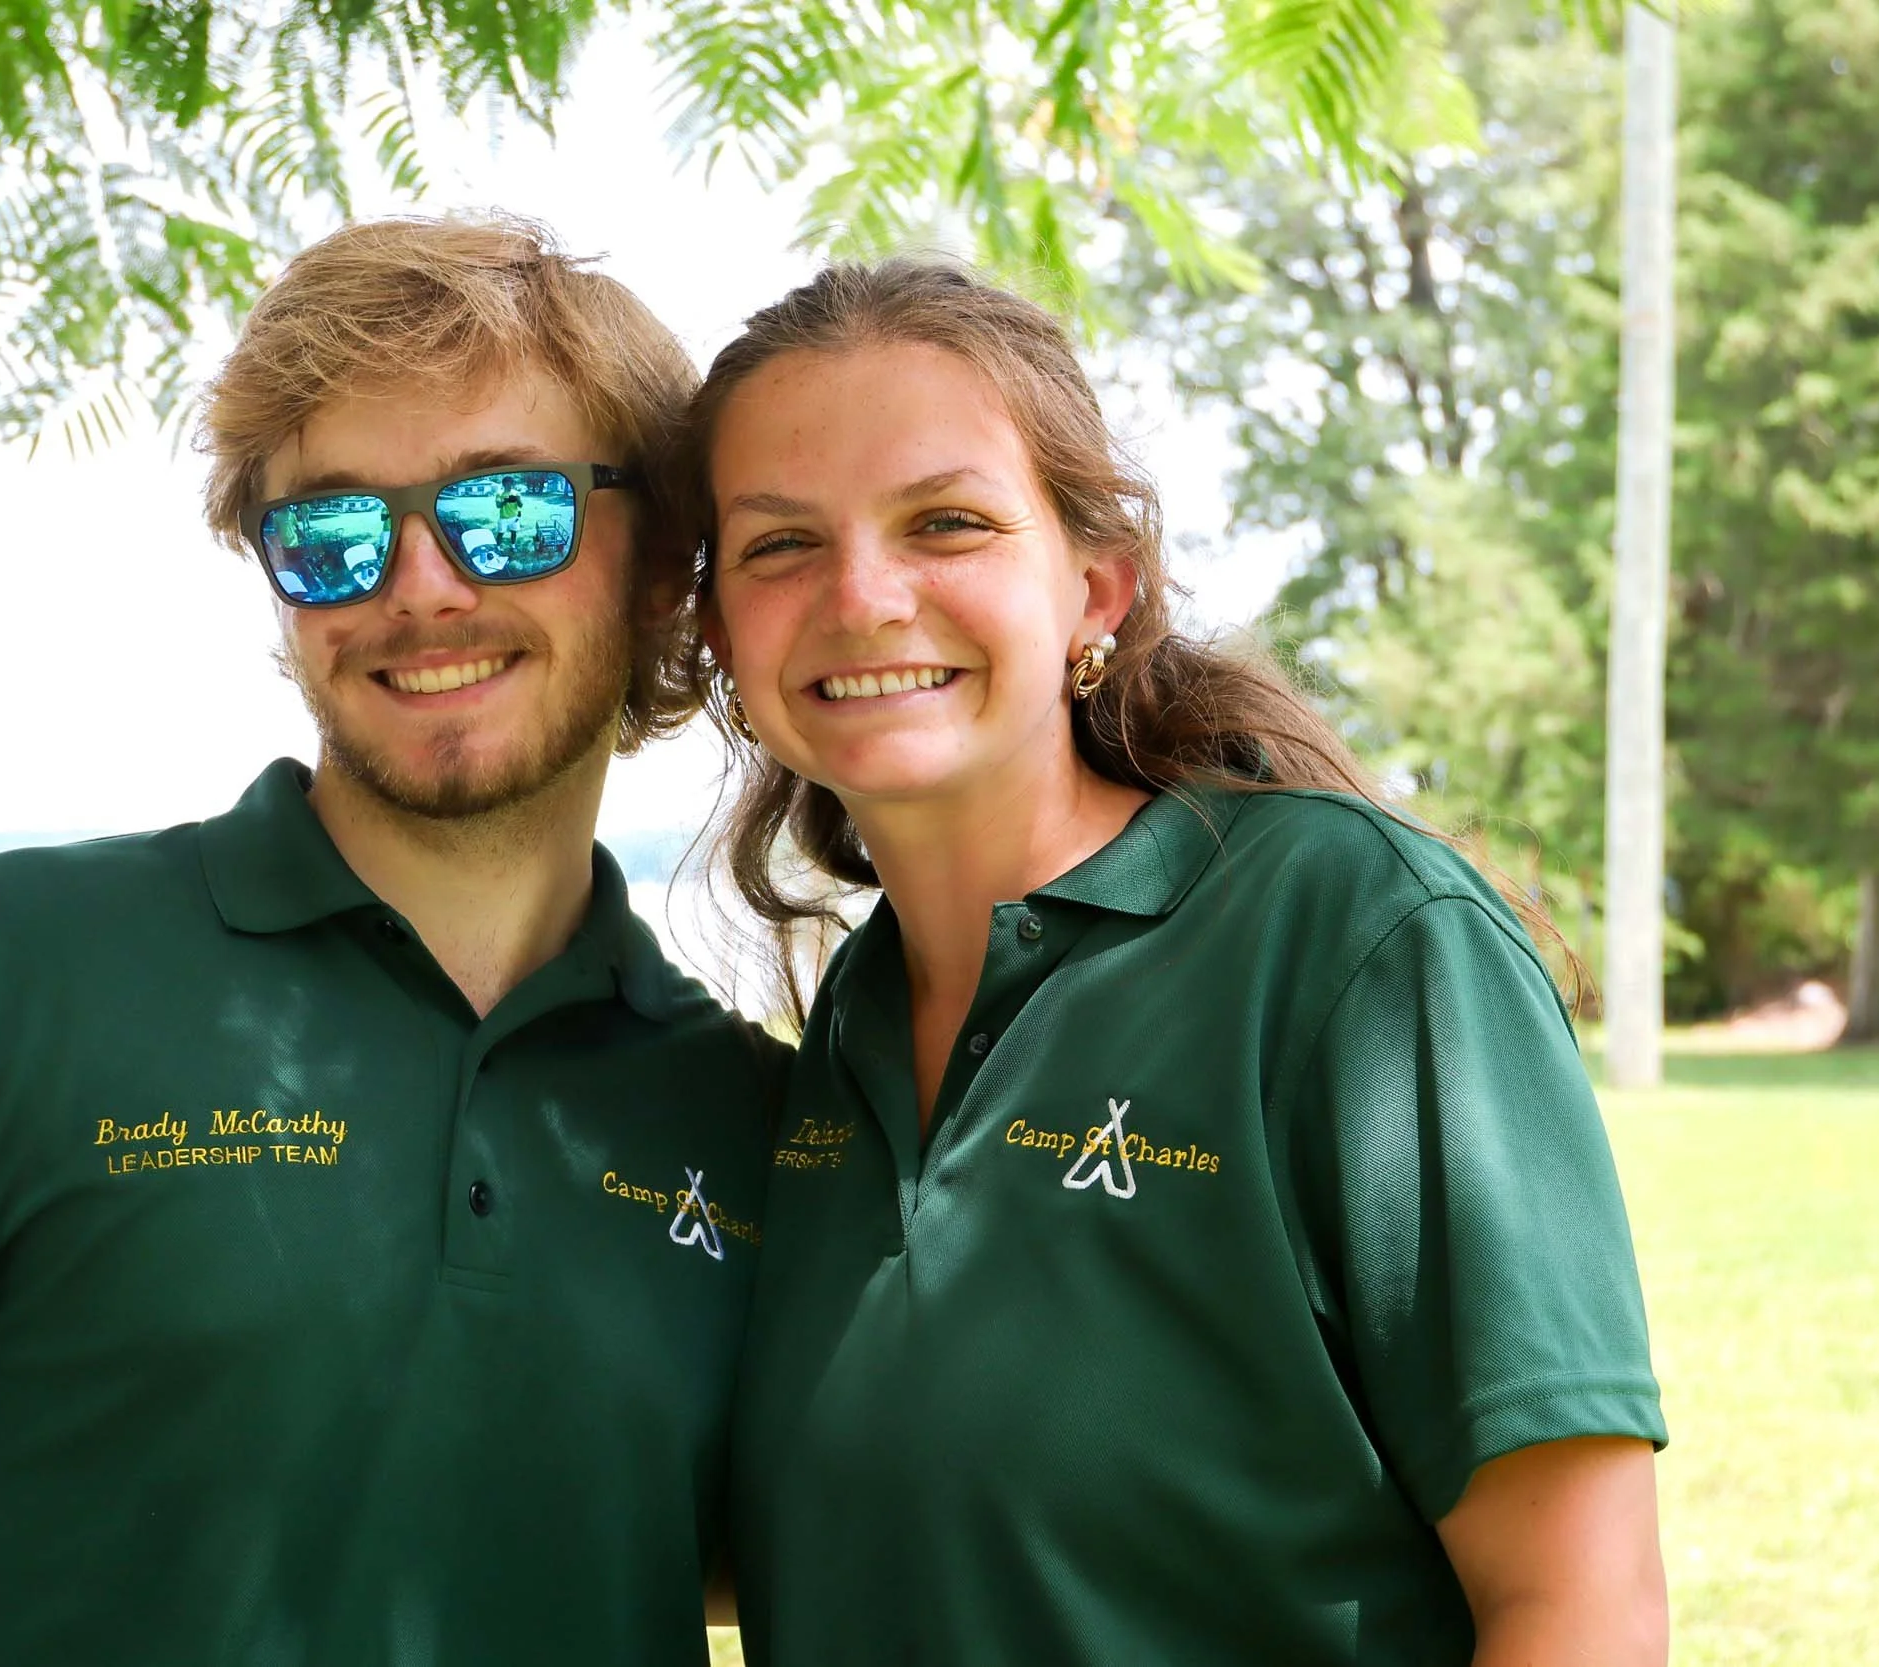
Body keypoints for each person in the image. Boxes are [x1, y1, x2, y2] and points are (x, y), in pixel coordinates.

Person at [0, 215, 782, 1666]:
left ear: (663, 570)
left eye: (509, 509)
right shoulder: (2, 976)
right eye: (332, 531)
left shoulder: (757, 1120)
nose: (418, 584)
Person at [676, 260, 1670, 1665]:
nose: (864, 594)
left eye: (946, 521)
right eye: (781, 544)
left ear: (1096, 588)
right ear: (718, 633)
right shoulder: (851, 1028)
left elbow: (1582, 1606)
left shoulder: (1358, 934)